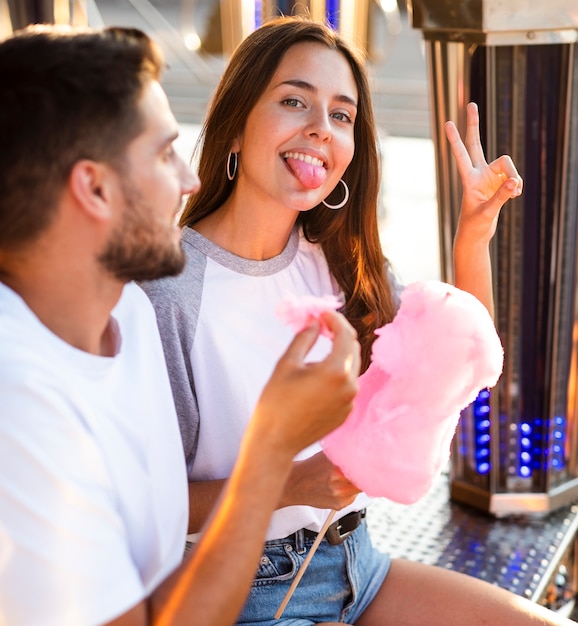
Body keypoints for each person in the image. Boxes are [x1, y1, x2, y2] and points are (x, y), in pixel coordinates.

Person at [141, 15, 573, 626]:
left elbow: (460, 368)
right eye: (295, 101)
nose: (320, 129)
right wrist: (291, 484)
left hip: (359, 564)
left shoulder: (339, 264)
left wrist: (473, 238)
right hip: (243, 591)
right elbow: (147, 509)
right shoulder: (168, 292)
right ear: (234, 126)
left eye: (341, 115)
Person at [0, 24, 363, 626]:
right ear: (93, 187)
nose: (191, 180)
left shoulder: (129, 314)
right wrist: (272, 451)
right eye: (165, 153)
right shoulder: (20, 402)